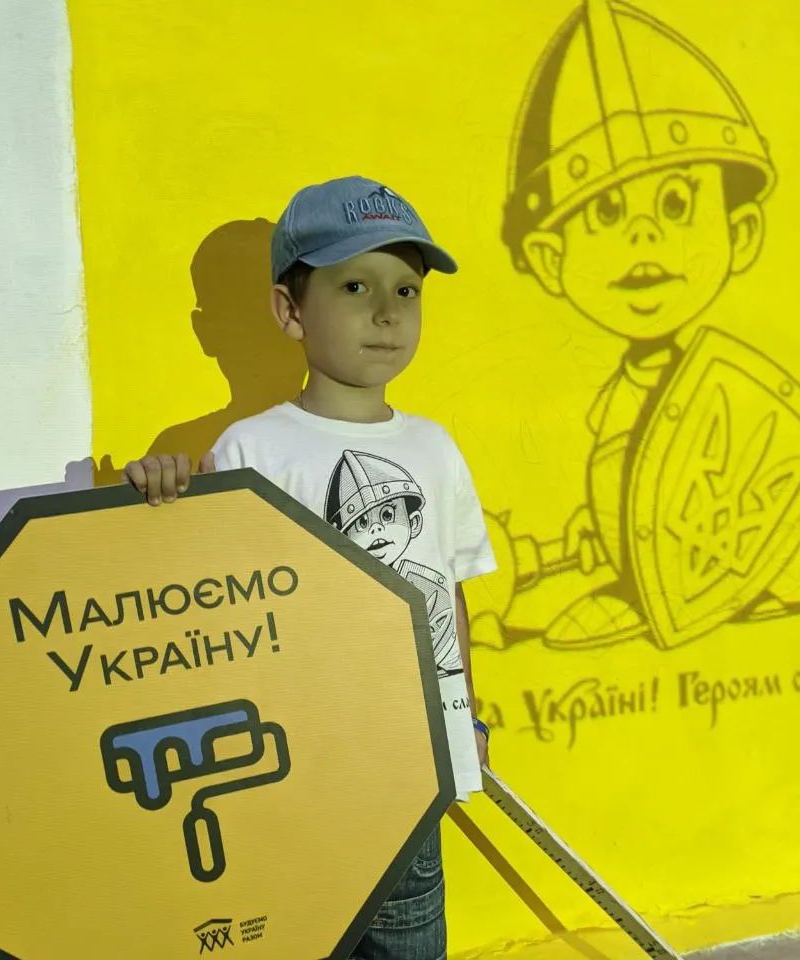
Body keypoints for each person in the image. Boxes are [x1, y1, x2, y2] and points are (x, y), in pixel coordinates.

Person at [123, 175, 496, 960]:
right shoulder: (250, 451)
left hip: (409, 777)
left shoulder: (436, 448)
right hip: (297, 779)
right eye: (355, 286)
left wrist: (467, 721)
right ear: (289, 311)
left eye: (407, 290)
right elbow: (206, 614)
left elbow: (449, 598)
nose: (387, 312)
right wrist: (160, 500)